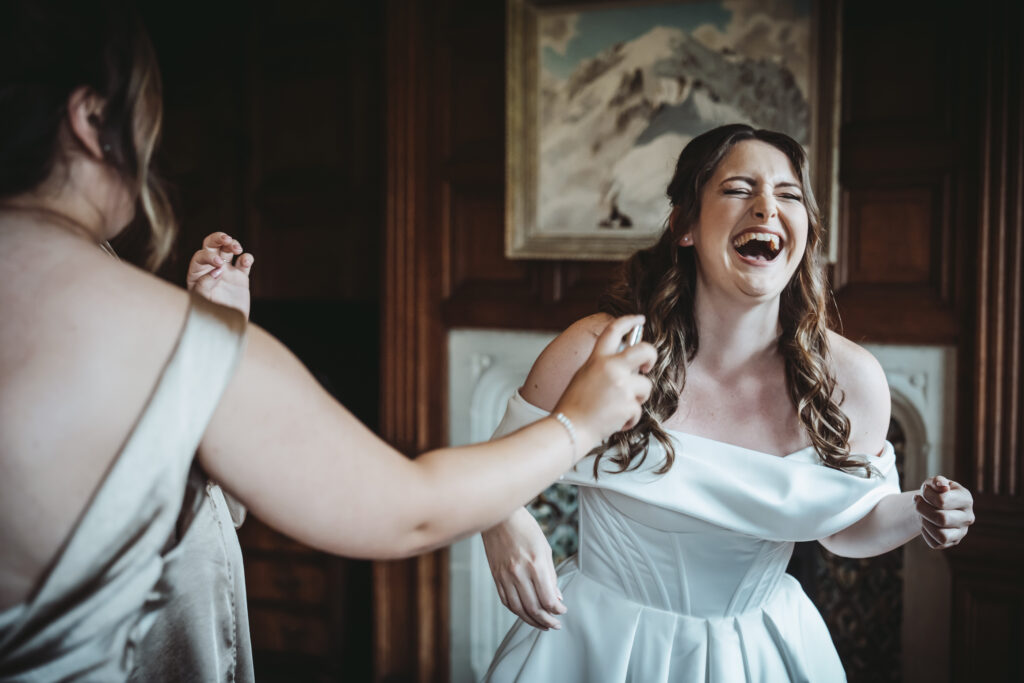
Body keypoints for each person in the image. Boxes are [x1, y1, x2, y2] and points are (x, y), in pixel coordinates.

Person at [0, 2, 657, 680]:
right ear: (92, 119)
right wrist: (578, 424)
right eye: (146, 115)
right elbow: (408, 509)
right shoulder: (162, 335)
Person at [480, 124, 976, 682]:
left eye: (788, 195)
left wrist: (918, 512)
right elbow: (493, 468)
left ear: (805, 231)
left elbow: (845, 526)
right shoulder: (599, 349)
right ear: (685, 225)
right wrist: (501, 521)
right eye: (739, 189)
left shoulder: (851, 381)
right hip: (597, 642)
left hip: (758, 649)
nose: (767, 207)